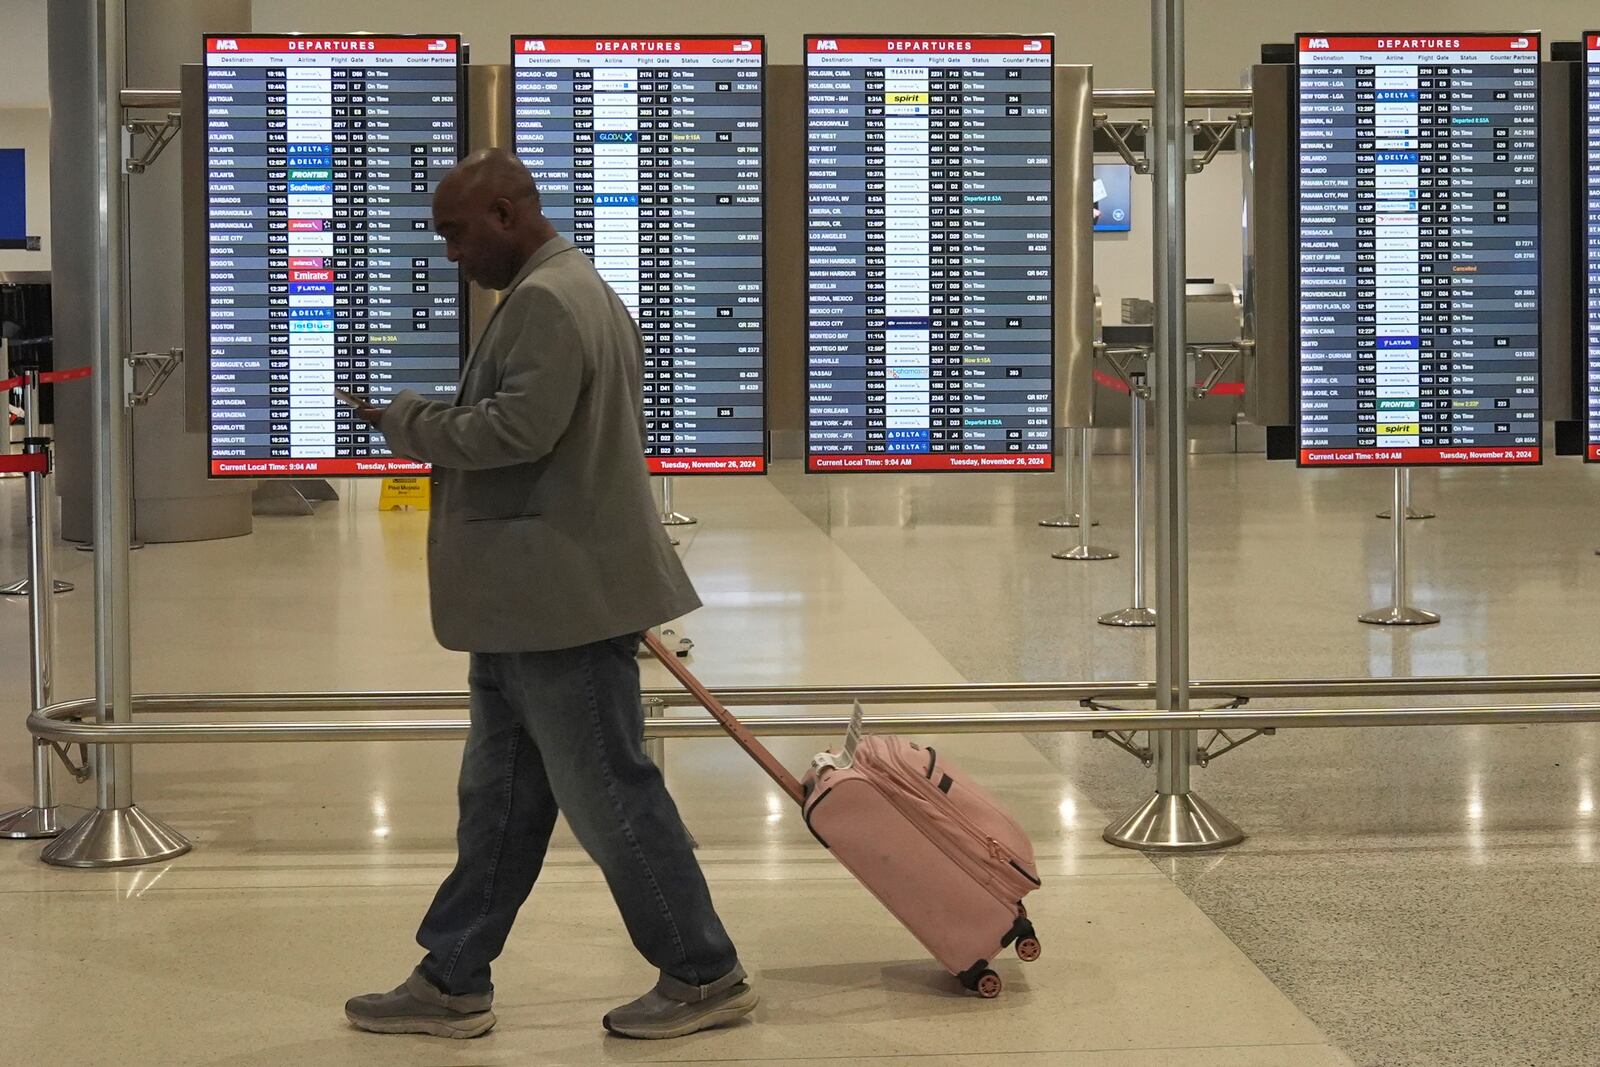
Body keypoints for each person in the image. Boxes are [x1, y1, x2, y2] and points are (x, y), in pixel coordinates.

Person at [341, 148, 757, 1041]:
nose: (450, 252)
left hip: (559, 604)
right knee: (500, 800)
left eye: (456, 233)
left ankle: (703, 969)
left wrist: (408, 419)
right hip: (528, 603)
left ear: (504, 213)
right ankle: (452, 974)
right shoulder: (576, 287)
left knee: (612, 795)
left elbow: (518, 431)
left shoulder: (543, 300)